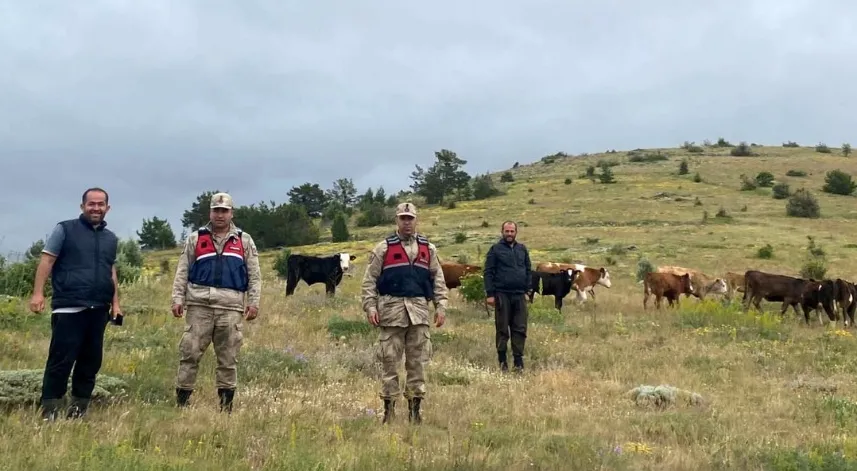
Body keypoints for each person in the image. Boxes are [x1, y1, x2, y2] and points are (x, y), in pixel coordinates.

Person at [29, 187, 122, 421]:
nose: (96, 208)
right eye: (91, 204)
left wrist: (115, 304)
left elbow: (110, 271)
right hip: (69, 307)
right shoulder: (64, 229)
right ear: (82, 206)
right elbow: (47, 260)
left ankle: (78, 412)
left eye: (100, 204)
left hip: (99, 308)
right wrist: (38, 293)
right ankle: (50, 411)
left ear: (108, 208)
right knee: (61, 361)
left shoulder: (110, 238)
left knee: (90, 363)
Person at [170, 192, 262, 412]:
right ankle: (182, 404)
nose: (220, 215)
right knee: (190, 354)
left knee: (228, 358)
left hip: (230, 307)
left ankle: (226, 408)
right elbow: (182, 271)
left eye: (224, 211)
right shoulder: (195, 238)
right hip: (199, 306)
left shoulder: (244, 240)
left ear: (231, 213)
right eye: (216, 210)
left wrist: (254, 302)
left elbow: (255, 275)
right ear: (210, 212)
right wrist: (177, 298)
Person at [361, 202, 449, 425]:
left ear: (416, 220)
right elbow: (369, 281)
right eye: (403, 218)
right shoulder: (383, 248)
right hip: (391, 313)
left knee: (417, 363)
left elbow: (438, 279)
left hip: (419, 313)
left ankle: (414, 413)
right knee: (390, 362)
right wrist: (370, 307)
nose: (407, 222)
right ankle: (389, 412)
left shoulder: (428, 248)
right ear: (397, 220)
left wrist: (441, 306)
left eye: (410, 218)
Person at [483, 220, 532, 373]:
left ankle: (518, 362)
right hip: (502, 294)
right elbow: (488, 272)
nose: (509, 234)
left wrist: (528, 291)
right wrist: (490, 294)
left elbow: (528, 270)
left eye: (512, 231)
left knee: (520, 328)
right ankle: (502, 361)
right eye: (507, 231)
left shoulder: (522, 249)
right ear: (502, 232)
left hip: (519, 295)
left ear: (516, 232)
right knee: (502, 328)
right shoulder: (495, 250)